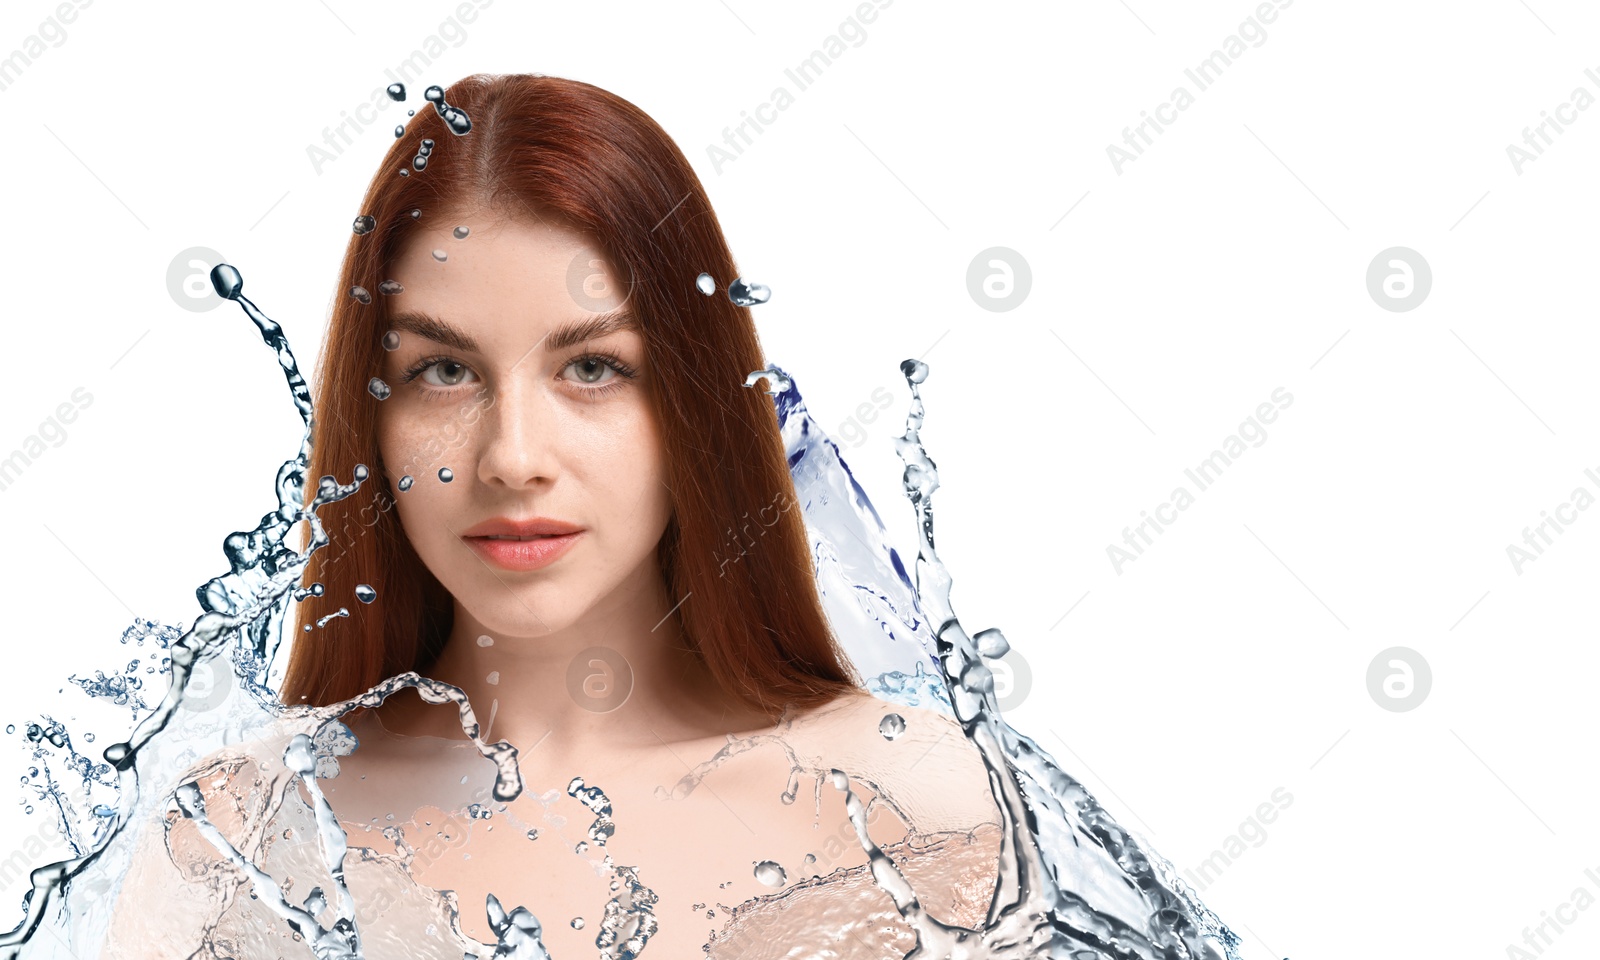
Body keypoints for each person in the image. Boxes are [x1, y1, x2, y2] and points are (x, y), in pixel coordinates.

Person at [102, 73, 1003, 960]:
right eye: (443, 372)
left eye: (594, 368)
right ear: (368, 416)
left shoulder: (914, 803)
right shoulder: (238, 836)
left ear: (694, 400)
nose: (513, 458)